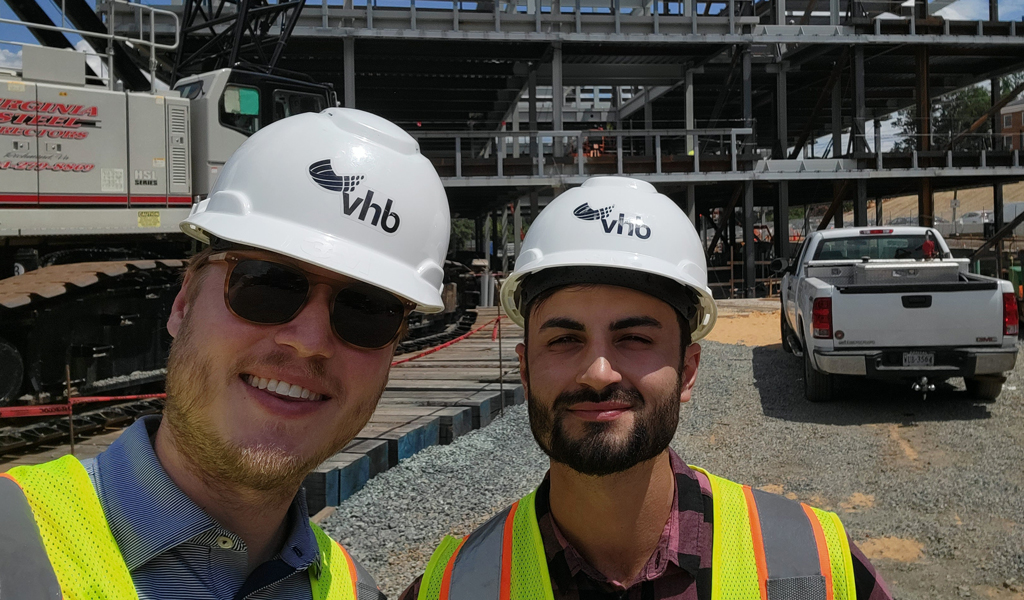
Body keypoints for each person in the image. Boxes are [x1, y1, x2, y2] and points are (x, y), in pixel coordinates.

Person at [0, 108, 452, 599]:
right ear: (183, 301)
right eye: (266, 285)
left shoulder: (354, 591)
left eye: (368, 311)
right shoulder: (12, 540)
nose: (309, 341)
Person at [401, 176, 892, 600]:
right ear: (525, 370)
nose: (598, 372)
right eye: (564, 339)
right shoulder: (451, 588)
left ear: (689, 370)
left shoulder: (816, 570)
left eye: (634, 338)